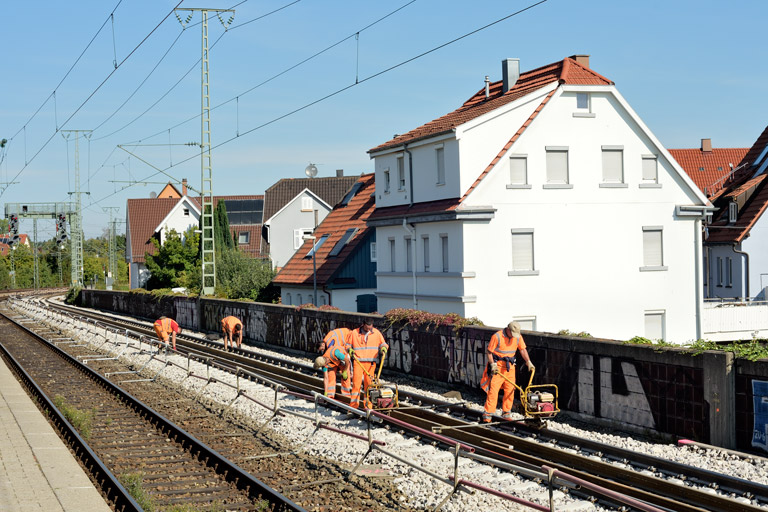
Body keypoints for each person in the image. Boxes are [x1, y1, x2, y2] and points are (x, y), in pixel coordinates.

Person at [480, 321, 534, 423]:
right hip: (498, 368)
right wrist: (493, 364)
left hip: (510, 368)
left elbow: (522, 349)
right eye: (512, 333)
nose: (514, 336)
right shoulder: (497, 336)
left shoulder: (517, 337)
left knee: (510, 390)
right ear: (508, 329)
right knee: (493, 391)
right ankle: (487, 414)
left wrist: (528, 361)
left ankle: (506, 412)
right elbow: (489, 352)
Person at [348, 319, 388, 409]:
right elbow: (347, 344)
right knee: (356, 385)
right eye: (367, 326)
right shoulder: (355, 333)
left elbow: (383, 343)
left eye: (371, 326)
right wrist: (349, 350)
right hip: (358, 362)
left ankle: (368, 406)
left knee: (369, 385)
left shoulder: (376, 333)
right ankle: (353, 406)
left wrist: (384, 348)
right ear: (363, 325)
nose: (369, 328)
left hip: (370, 363)